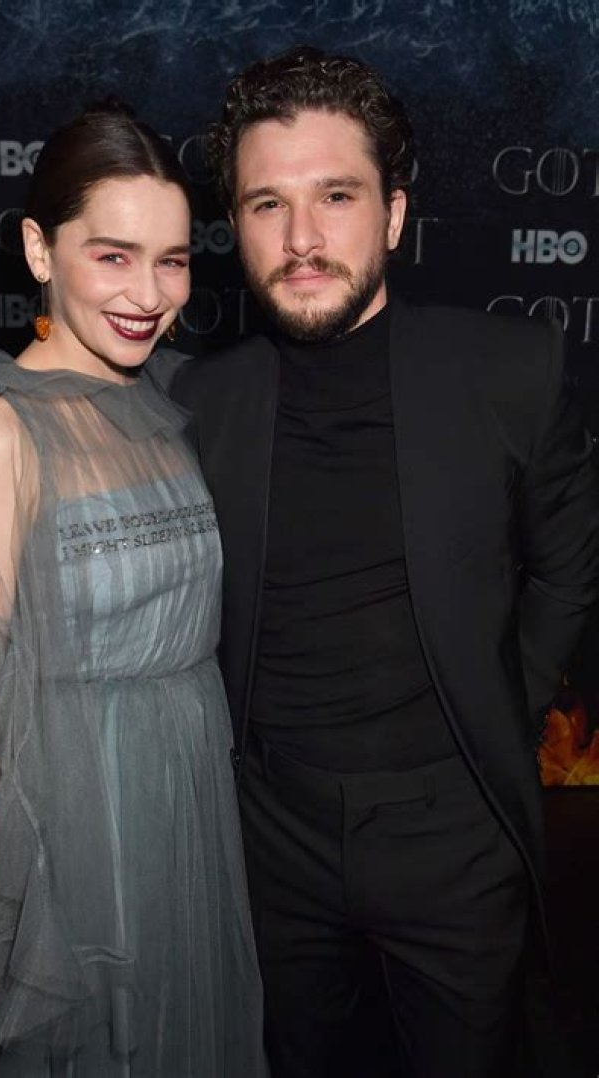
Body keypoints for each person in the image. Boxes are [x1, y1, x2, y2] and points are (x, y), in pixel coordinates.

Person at [169, 46, 599, 1078]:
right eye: (268, 204)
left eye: (336, 196)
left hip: (455, 838)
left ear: (394, 215)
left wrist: (500, 707)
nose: (302, 238)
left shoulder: (511, 372)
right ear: (235, 223)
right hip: (269, 844)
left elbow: (568, 568)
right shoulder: (197, 403)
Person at [0, 102, 267, 1077]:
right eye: (113, 256)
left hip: (186, 801)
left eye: (172, 260)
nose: (148, 293)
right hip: (72, 827)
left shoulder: (166, 401)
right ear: (38, 250)